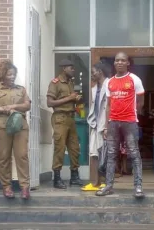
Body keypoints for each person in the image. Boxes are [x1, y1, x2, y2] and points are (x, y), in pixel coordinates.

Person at [95, 52, 145, 198]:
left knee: (134, 154)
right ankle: (109, 185)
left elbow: (141, 101)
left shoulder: (134, 79)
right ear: (114, 63)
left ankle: (138, 186)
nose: (120, 62)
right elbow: (108, 106)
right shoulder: (109, 82)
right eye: (117, 60)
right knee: (111, 155)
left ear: (128, 63)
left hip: (130, 122)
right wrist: (106, 125)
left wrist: (133, 113)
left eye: (123, 60)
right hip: (113, 123)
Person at [0, 60, 31, 199]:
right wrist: (4, 110)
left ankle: (25, 187)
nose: (12, 77)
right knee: (4, 157)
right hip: (2, 125)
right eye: (9, 74)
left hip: (20, 125)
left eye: (14, 74)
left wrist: (13, 107)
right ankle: (6, 186)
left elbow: (27, 105)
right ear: (2, 74)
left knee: (22, 155)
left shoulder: (21, 89)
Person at [47, 59, 83, 189]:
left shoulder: (70, 83)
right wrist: (70, 98)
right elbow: (50, 103)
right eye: (71, 68)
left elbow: (70, 100)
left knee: (74, 148)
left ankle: (74, 176)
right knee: (60, 148)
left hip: (71, 118)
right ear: (64, 69)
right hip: (60, 118)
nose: (73, 70)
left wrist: (75, 100)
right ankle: (57, 178)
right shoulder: (55, 83)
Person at [82, 62, 110, 191]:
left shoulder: (110, 84)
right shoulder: (94, 88)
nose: (92, 74)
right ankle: (95, 183)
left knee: (106, 154)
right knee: (94, 153)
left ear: (100, 71)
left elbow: (111, 107)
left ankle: (105, 182)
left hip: (106, 125)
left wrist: (107, 126)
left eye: (93, 72)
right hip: (95, 125)